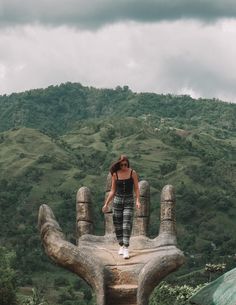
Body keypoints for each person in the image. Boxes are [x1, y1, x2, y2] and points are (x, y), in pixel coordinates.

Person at [102, 155, 141, 259]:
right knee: (118, 224)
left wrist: (138, 200)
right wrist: (106, 204)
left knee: (126, 223)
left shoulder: (133, 173)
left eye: (126, 164)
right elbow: (113, 190)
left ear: (128, 163)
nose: (124, 166)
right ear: (119, 164)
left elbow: (136, 188)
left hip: (129, 200)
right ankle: (121, 245)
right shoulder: (115, 174)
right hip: (118, 200)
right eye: (122, 164)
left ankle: (126, 248)